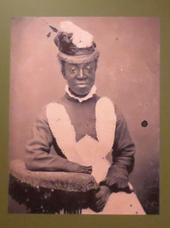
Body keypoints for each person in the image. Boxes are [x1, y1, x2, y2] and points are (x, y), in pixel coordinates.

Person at [24, 21, 145, 214]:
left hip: (110, 192)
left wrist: (107, 188)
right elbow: (33, 157)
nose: (81, 75)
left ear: (95, 68)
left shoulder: (109, 108)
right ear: (63, 71)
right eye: (73, 69)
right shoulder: (49, 112)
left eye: (88, 68)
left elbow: (125, 153)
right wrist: (72, 168)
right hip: (71, 193)